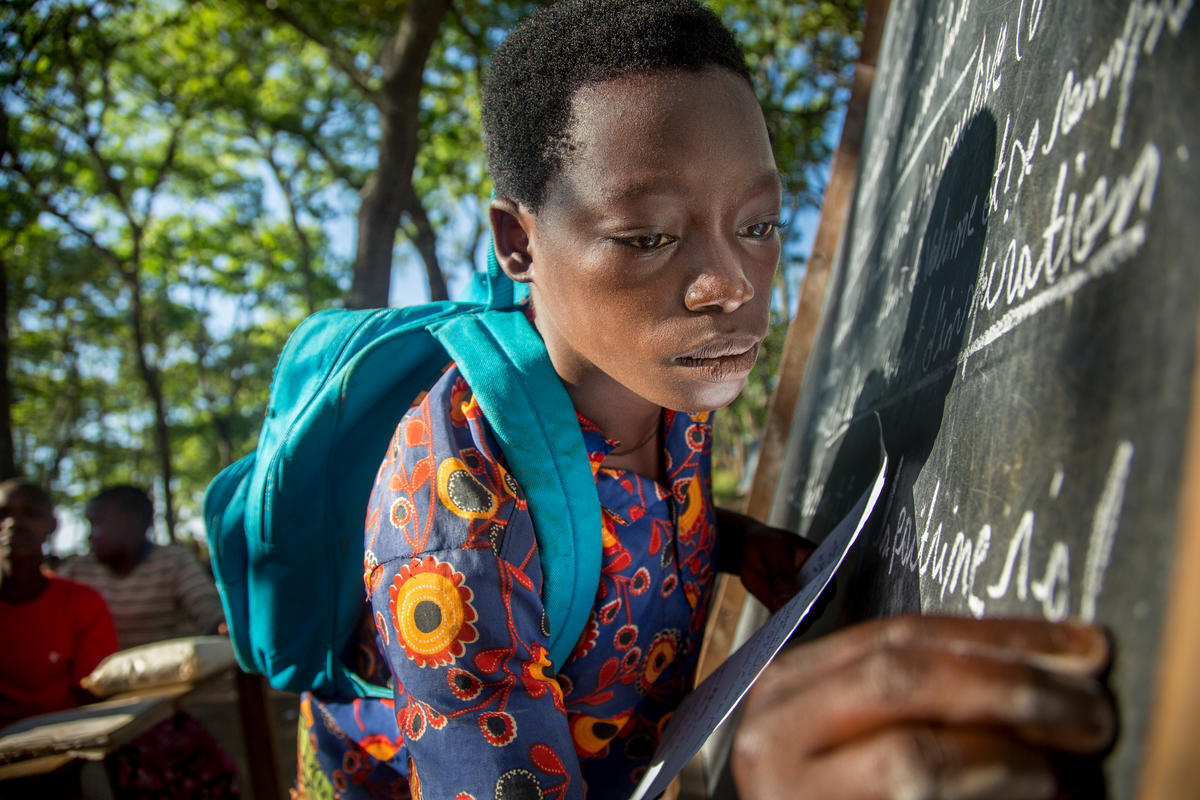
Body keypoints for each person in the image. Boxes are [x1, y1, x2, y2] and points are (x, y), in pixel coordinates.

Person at [298, 1, 1115, 798]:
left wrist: (736, 542)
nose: (730, 285)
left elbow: (620, 514)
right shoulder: (455, 525)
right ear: (519, 243)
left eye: (758, 226)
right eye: (648, 237)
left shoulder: (670, 381)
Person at [0, 478, 119, 728]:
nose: (13, 523)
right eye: (3, 514)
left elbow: (93, 693)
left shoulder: (83, 603)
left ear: (52, 525)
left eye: (30, 513)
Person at [57, 484, 226, 649]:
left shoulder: (173, 562)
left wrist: (223, 626)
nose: (90, 536)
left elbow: (208, 609)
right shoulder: (77, 571)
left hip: (166, 666)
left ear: (132, 523)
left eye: (97, 524)